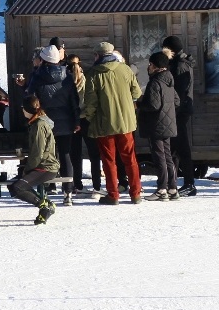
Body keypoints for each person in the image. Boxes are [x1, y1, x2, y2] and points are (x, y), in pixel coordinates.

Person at [83, 41, 143, 205]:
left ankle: (113, 194)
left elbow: (90, 103)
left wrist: (86, 117)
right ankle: (136, 193)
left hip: (104, 124)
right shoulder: (126, 69)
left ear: (98, 55)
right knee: (130, 159)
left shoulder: (94, 74)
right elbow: (137, 92)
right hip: (126, 123)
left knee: (109, 160)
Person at [23, 42, 78, 205]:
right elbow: (74, 101)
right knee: (66, 154)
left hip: (44, 122)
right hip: (66, 120)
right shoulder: (67, 76)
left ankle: (46, 188)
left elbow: (31, 99)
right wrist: (76, 120)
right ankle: (68, 191)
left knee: (45, 155)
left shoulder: (37, 77)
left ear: (44, 60)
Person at [7, 96, 61, 224]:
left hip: (46, 167)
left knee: (17, 188)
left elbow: (38, 152)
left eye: (23, 108)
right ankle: (46, 205)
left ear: (28, 109)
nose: (22, 111)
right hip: (43, 165)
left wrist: (28, 169)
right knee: (13, 186)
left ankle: (44, 207)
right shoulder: (37, 123)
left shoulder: (39, 125)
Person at [138, 52, 180, 200]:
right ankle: (173, 188)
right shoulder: (169, 80)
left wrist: (139, 103)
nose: (148, 67)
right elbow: (176, 101)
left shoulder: (155, 82)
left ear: (156, 66)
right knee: (167, 156)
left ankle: (162, 189)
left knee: (159, 157)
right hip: (168, 123)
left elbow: (153, 105)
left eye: (150, 64)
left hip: (156, 124)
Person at [162, 35, 196, 196]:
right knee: (174, 148)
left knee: (181, 147)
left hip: (179, 110)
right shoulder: (179, 63)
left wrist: (173, 109)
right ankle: (173, 182)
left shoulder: (180, 66)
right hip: (180, 109)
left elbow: (178, 92)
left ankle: (189, 183)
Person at [67, 53, 101, 194]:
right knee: (94, 153)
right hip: (87, 119)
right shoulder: (87, 81)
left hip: (72, 120)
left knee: (75, 154)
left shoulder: (66, 84)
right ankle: (97, 185)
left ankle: (77, 183)